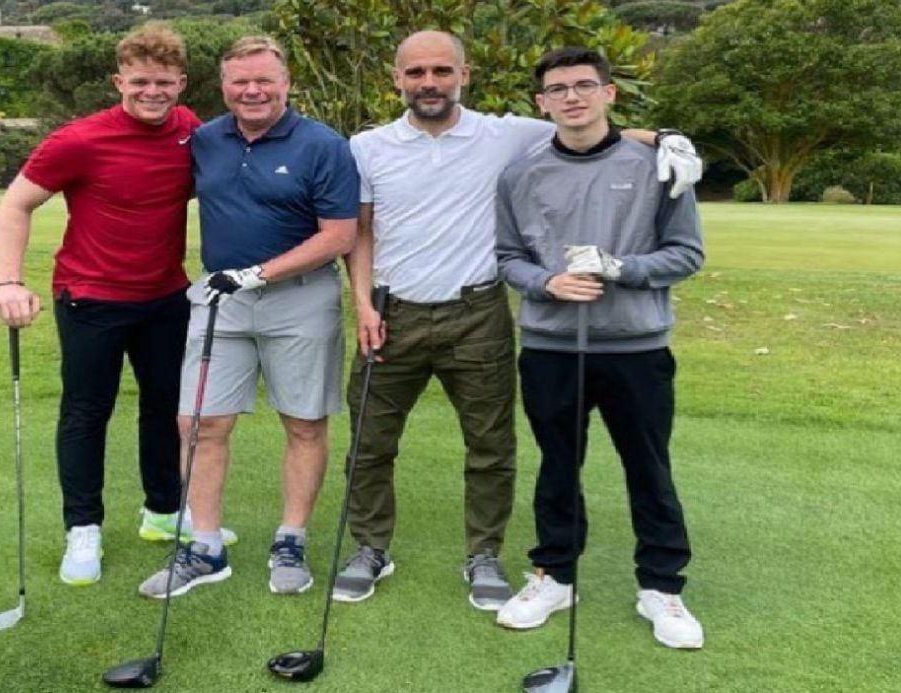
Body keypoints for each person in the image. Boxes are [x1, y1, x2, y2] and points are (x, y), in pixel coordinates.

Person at [332, 30, 703, 612]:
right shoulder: (367, 146)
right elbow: (361, 233)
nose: (429, 83)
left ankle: (483, 554)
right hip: (391, 311)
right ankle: (370, 547)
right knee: (370, 445)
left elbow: (587, 127)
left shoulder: (506, 134)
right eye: (416, 73)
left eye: (441, 71)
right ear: (398, 79)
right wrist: (361, 305)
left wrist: (666, 138)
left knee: (490, 447)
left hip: (477, 312)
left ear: (464, 74)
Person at [0, 23, 234, 587]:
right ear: (119, 79)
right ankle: (84, 529)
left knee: (165, 409)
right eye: (141, 81)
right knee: (86, 411)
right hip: (90, 299)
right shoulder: (78, 139)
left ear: (182, 84)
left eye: (165, 82)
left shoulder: (191, 132)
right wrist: (8, 280)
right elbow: (15, 207)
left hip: (165, 297)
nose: (153, 91)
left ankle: (164, 511)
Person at [494, 47, 705, 649]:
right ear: (541, 102)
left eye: (585, 85)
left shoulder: (658, 163)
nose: (572, 97)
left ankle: (661, 586)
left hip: (635, 346)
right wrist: (547, 282)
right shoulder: (521, 173)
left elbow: (687, 253)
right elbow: (508, 256)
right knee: (558, 466)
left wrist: (621, 267)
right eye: (557, 89)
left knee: (648, 467)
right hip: (551, 344)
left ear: (609, 94)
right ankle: (554, 574)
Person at [137, 36, 359, 599]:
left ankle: (291, 538)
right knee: (198, 423)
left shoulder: (323, 145)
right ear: (225, 86)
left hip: (300, 299)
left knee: (304, 422)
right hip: (221, 298)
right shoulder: (207, 139)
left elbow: (339, 235)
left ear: (286, 83)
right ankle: (206, 547)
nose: (253, 90)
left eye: (264, 80)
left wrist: (259, 273)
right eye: (240, 81)